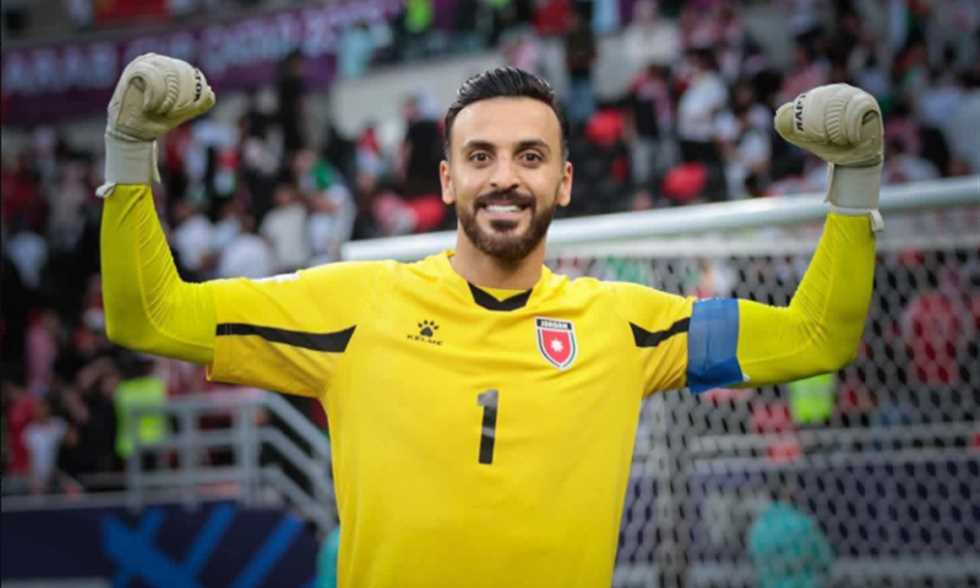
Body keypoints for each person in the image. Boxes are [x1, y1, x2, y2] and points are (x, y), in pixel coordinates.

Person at [97, 55, 883, 588]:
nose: (505, 177)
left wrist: (854, 186)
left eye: (530, 156)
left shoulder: (624, 324)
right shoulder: (354, 307)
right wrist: (130, 154)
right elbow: (152, 317)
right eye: (481, 157)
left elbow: (816, 335)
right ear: (447, 179)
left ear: (565, 181)